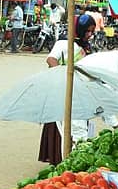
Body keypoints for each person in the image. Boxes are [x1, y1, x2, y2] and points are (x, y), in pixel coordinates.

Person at [39, 14, 97, 165]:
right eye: (87, 31)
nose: (89, 35)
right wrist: (63, 75)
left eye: (92, 31)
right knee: (61, 125)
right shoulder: (64, 43)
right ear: (80, 29)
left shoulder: (85, 46)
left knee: (77, 124)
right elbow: (51, 59)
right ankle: (59, 159)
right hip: (63, 89)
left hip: (79, 91)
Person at [76, 47, 118, 133]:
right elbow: (105, 101)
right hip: (75, 98)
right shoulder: (112, 68)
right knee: (78, 135)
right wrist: (116, 126)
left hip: (79, 94)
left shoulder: (111, 58)